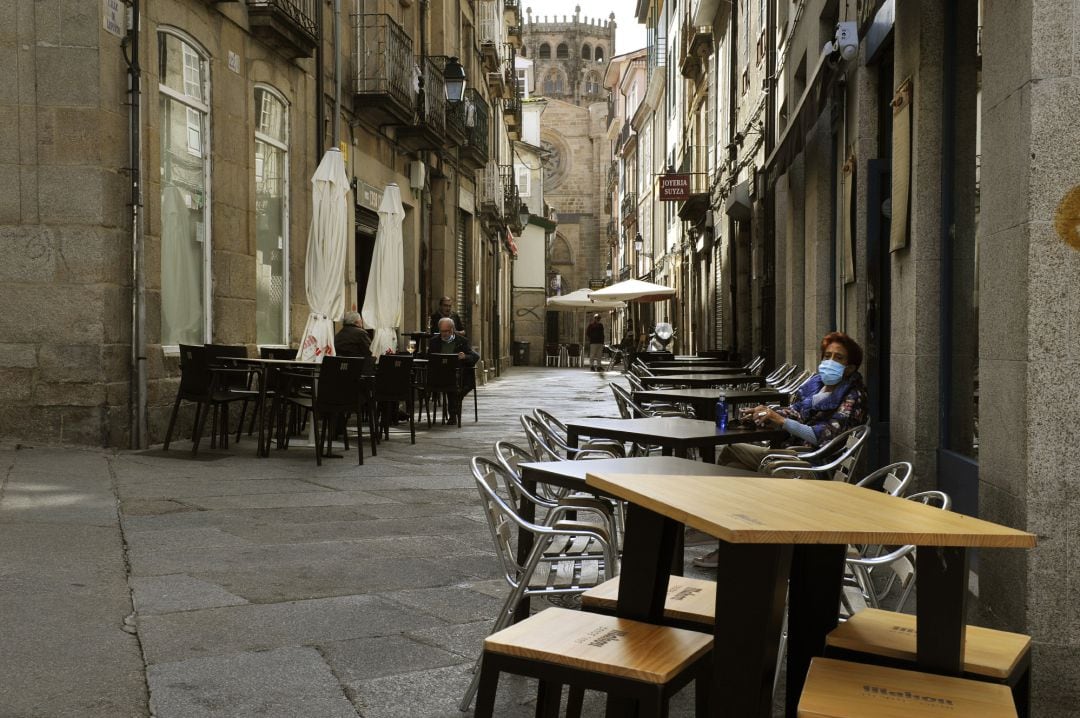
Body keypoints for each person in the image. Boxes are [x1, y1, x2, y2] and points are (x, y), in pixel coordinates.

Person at [693, 331, 869, 568]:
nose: (829, 362)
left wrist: (781, 421)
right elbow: (796, 410)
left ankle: (740, 546)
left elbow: (823, 437)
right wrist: (765, 411)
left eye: (838, 358)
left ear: (850, 368)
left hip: (811, 464)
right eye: (827, 355)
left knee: (757, 473)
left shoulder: (852, 396)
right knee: (731, 454)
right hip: (791, 453)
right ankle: (729, 531)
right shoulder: (818, 387)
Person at [428, 318, 480, 423]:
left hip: (458, 376)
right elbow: (429, 358)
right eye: (442, 331)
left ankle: (453, 413)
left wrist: (465, 357)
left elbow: (474, 357)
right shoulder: (434, 342)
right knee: (451, 386)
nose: (445, 333)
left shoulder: (461, 341)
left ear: (452, 329)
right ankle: (453, 412)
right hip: (440, 375)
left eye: (447, 331)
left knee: (455, 386)